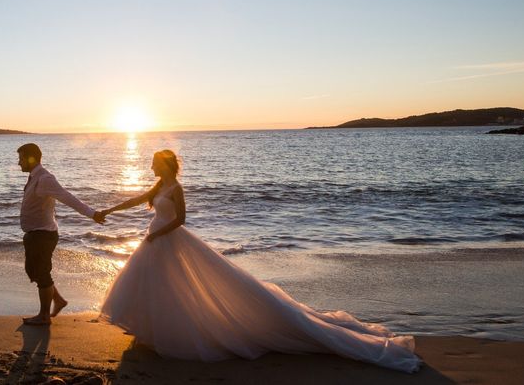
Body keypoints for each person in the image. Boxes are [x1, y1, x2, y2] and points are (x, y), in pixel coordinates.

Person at [98, 149, 422, 373]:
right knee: (159, 288)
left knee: (180, 287)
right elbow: (135, 200)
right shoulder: (159, 185)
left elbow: (181, 219)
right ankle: (150, 331)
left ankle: (167, 333)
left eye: (154, 162)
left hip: (166, 241)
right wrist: (108, 211)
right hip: (155, 242)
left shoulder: (177, 188)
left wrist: (158, 233)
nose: (151, 166)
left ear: (165, 165)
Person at [17, 143, 105, 325]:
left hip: (43, 235)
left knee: (42, 273)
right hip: (35, 234)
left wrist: (92, 214)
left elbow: (67, 197)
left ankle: (44, 316)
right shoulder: (35, 177)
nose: (19, 163)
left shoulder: (45, 179)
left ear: (31, 158)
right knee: (34, 271)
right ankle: (58, 300)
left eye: (21, 158)